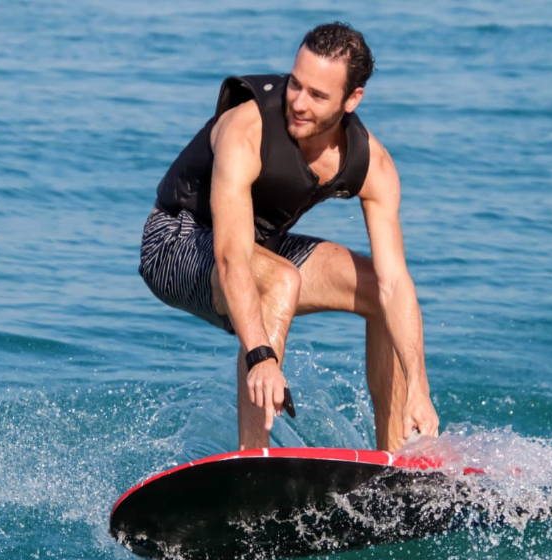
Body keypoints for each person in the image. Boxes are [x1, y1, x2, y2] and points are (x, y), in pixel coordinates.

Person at [139, 22, 439, 452]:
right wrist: (261, 356)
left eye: (317, 95)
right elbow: (231, 259)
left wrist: (419, 387)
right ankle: (252, 462)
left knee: (376, 289)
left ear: (352, 100)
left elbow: (396, 283)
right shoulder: (246, 128)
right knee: (279, 280)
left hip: (263, 249)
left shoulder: (374, 165)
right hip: (175, 241)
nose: (298, 103)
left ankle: (391, 461)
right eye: (295, 84)